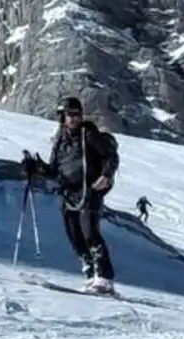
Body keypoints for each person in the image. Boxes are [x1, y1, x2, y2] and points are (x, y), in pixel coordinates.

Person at [24, 96, 119, 292]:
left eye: (77, 114)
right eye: (70, 114)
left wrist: (106, 175)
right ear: (62, 117)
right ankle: (90, 274)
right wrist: (34, 167)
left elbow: (110, 156)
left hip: (89, 191)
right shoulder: (60, 142)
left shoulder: (88, 135)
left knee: (90, 233)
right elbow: (53, 171)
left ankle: (104, 277)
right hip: (69, 194)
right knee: (74, 236)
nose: (74, 118)